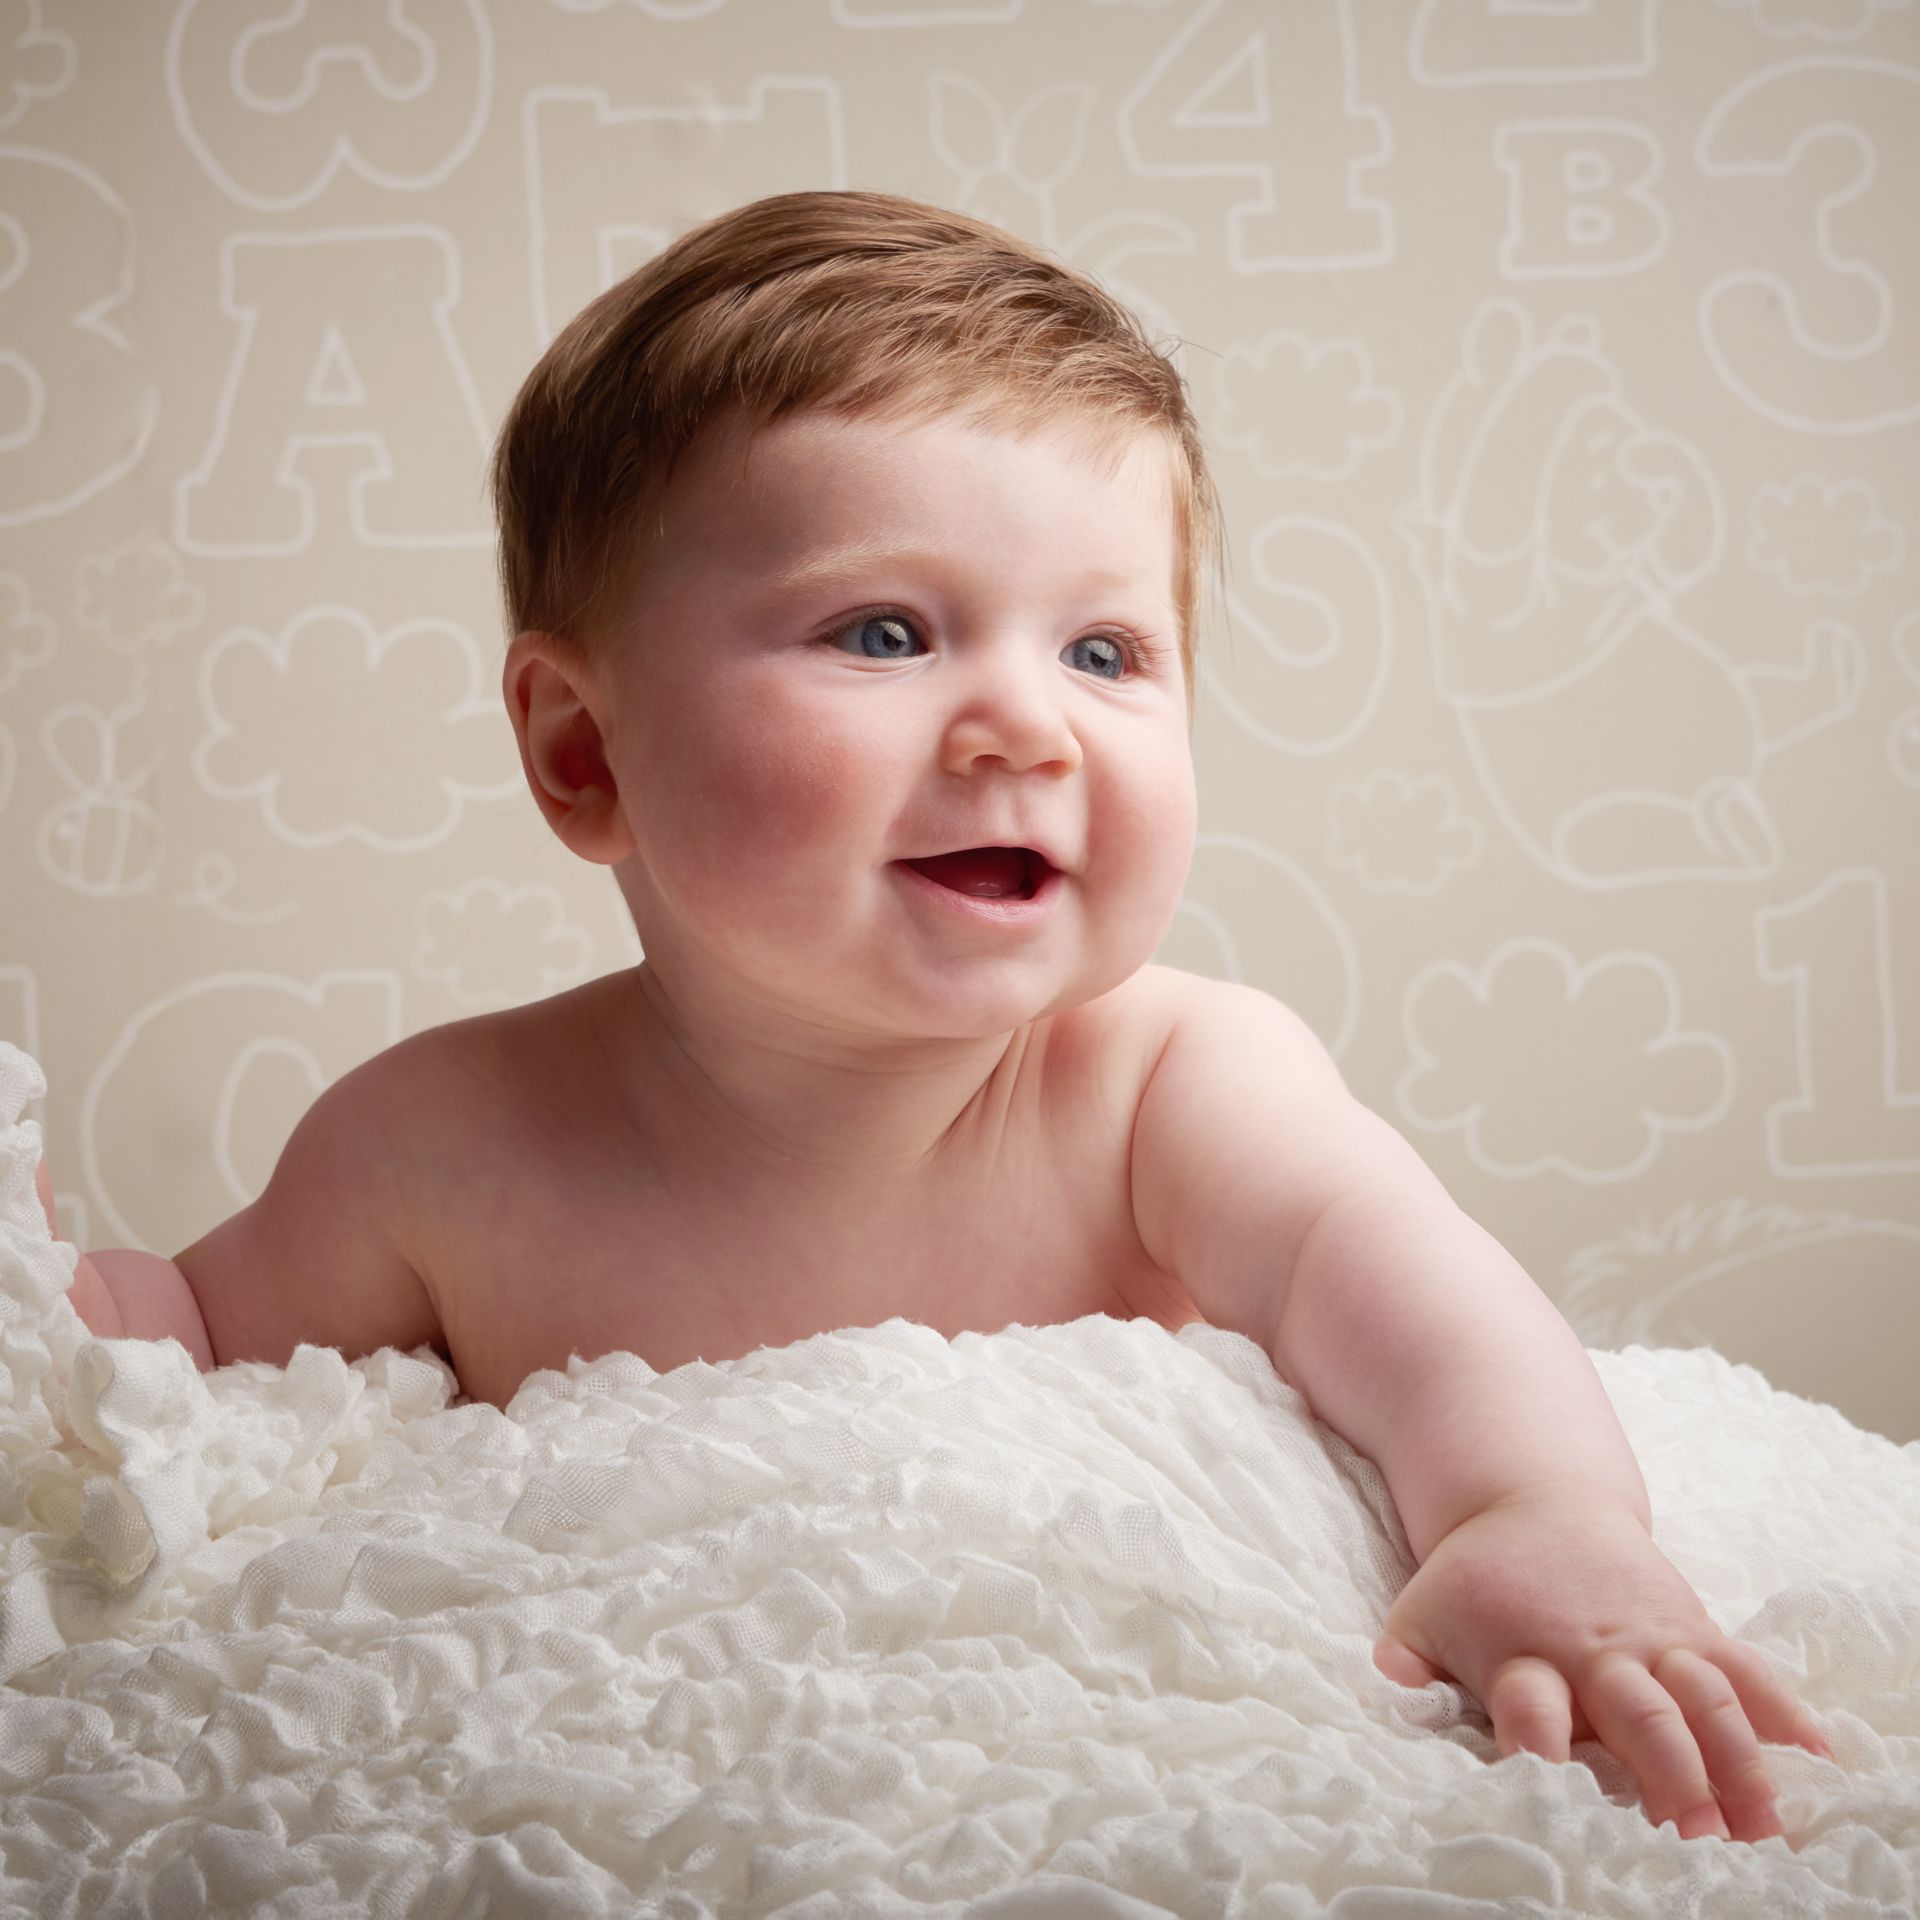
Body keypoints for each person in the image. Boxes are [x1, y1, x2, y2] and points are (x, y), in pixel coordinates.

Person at [37, 189, 1833, 1845]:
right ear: (586, 752)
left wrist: (1541, 1517)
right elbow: (180, 1359)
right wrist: (64, 1302)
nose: (1026, 728)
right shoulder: (442, 1147)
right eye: (887, 636)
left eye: (1105, 652)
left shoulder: (1169, 1083)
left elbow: (1411, 1292)